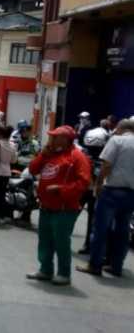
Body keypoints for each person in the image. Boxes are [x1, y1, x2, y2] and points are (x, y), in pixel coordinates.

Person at [26, 126, 91, 286]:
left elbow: (84, 183)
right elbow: (33, 169)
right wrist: (43, 154)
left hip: (64, 209)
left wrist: (61, 189)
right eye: (52, 137)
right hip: (46, 206)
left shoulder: (77, 157)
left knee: (61, 242)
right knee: (45, 240)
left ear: (65, 139)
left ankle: (64, 273)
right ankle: (45, 270)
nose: (52, 140)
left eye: (55, 137)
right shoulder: (50, 153)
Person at [77, 119, 134, 278]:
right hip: (131, 194)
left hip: (112, 190)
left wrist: (99, 183)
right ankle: (116, 266)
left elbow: (107, 164)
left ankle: (95, 265)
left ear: (121, 129)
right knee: (122, 231)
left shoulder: (117, 140)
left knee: (100, 228)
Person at [78, 119, 111, 254]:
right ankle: (88, 245)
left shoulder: (102, 156)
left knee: (92, 218)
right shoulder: (85, 155)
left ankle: (88, 245)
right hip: (87, 188)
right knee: (91, 218)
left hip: (93, 189)